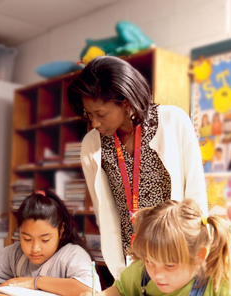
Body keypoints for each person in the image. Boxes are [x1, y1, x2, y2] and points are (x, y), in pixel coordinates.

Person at [67, 56, 207, 279]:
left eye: (101, 114)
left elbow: (196, 197)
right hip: (130, 258)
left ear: (126, 101)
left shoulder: (173, 122)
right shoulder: (92, 145)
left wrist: (195, 260)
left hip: (174, 256)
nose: (94, 123)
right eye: (89, 114)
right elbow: (105, 212)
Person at [77, 199, 231, 296]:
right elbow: (123, 293)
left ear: (199, 256)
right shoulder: (143, 269)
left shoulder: (230, 276)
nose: (157, 274)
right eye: (150, 261)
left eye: (170, 266)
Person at [0, 190, 101, 296]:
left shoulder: (72, 255)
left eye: (45, 240)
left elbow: (91, 291)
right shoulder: (16, 253)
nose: (34, 248)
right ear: (19, 231)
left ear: (61, 229)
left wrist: (34, 282)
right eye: (26, 239)